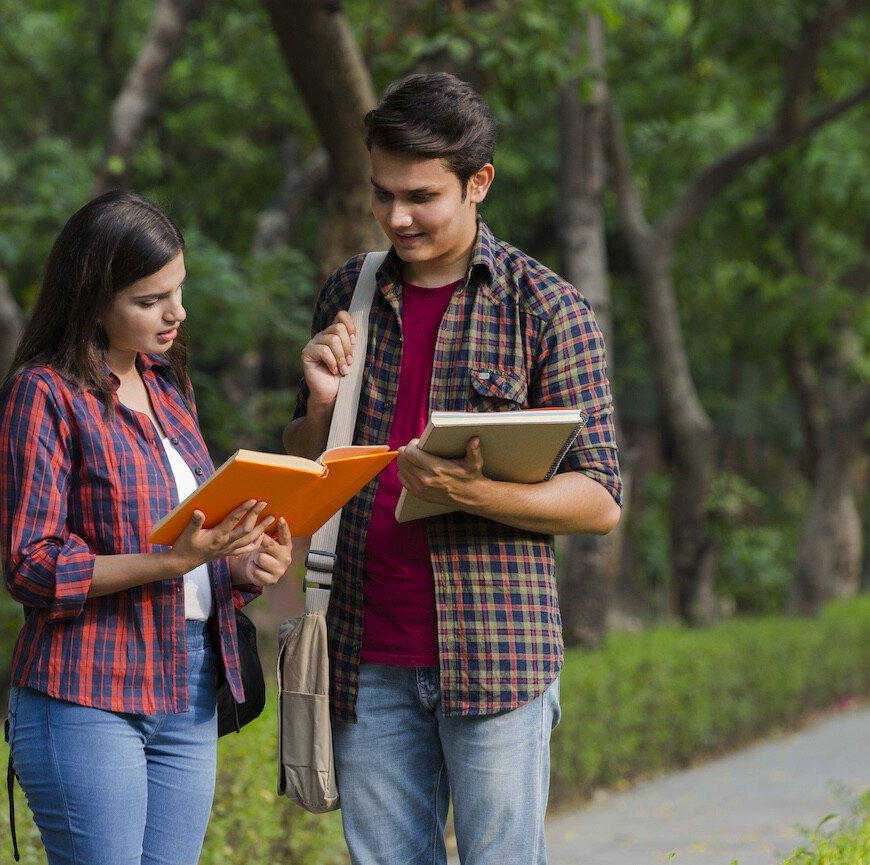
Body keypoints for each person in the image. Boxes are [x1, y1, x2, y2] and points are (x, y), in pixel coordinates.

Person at [282, 73, 622, 865]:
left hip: (499, 653)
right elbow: (306, 469)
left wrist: (480, 493)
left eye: (421, 196)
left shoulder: (546, 309)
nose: (397, 216)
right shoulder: (350, 293)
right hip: (366, 657)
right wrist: (322, 404)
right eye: (382, 194)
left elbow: (601, 496)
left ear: (479, 183)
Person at [0, 190, 292, 865]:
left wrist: (237, 567)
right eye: (151, 299)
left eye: (178, 290)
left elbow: (194, 544)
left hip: (188, 685)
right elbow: (32, 564)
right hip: (87, 690)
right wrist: (169, 560)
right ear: (94, 300)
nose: (176, 312)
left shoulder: (167, 385)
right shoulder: (43, 394)